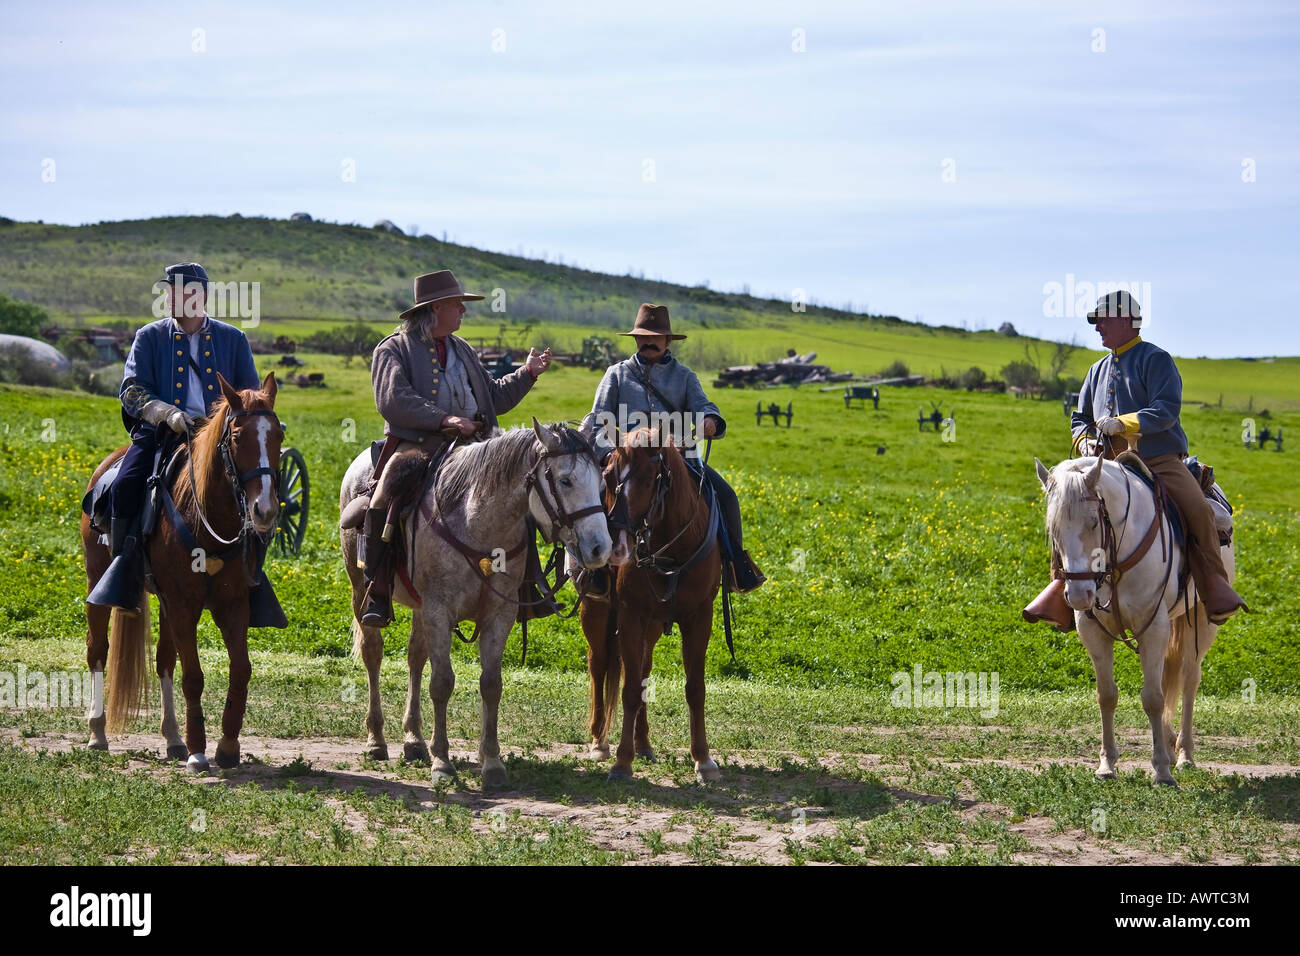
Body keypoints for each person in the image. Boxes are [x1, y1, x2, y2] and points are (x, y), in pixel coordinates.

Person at [1023, 290, 1248, 630]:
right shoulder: (1096, 369)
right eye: (1095, 322)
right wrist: (1085, 444)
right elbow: (1079, 419)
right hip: (1104, 467)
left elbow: (1166, 410)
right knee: (1066, 509)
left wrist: (1124, 423)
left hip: (1157, 460)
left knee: (1199, 510)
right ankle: (1060, 588)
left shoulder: (1156, 360)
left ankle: (1215, 587)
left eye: (1104, 320)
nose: (1097, 328)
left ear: (1127, 320)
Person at [89, 262, 284, 626]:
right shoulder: (149, 336)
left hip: (222, 439)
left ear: (202, 296)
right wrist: (166, 413)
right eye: (171, 291)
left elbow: (252, 395)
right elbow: (131, 391)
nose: (175, 297)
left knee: (262, 488)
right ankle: (125, 572)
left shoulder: (233, 339)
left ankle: (252, 577)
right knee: (125, 484)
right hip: (163, 434)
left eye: (184, 291)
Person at [360, 269, 553, 626]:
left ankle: (527, 586)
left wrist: (528, 373)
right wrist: (445, 420)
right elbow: (393, 398)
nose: (463, 311)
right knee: (384, 496)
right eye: (457, 305)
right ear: (435, 308)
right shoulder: (393, 348)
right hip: (419, 445)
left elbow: (493, 395)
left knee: (519, 498)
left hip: (475, 449)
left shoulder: (461, 349)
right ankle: (378, 588)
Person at [582, 303, 765, 593]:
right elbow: (595, 422)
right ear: (635, 339)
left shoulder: (686, 377)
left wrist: (709, 421)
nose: (648, 341)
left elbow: (705, 407)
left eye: (655, 336)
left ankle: (734, 567)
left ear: (668, 341)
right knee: (592, 502)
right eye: (642, 336)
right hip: (627, 464)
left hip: (679, 463)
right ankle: (595, 571)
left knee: (727, 497)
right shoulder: (616, 375)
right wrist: (610, 457)